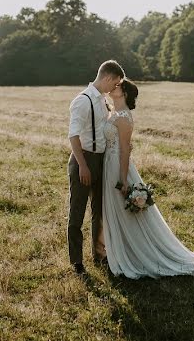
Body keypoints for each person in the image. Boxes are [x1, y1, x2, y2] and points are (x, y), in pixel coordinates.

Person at [102, 78, 194, 278]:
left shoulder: (124, 118)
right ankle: (117, 248)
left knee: (124, 211)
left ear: (125, 93)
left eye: (118, 86)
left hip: (118, 168)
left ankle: (135, 253)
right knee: (115, 211)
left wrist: (123, 180)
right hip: (107, 164)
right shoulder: (112, 113)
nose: (114, 87)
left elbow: (125, 151)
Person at [67, 60, 125, 274]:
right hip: (83, 159)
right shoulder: (83, 101)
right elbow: (73, 136)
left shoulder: (102, 100)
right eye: (115, 83)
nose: (115, 88)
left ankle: (99, 255)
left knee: (99, 211)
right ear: (108, 78)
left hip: (101, 161)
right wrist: (82, 165)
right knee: (77, 211)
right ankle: (77, 262)